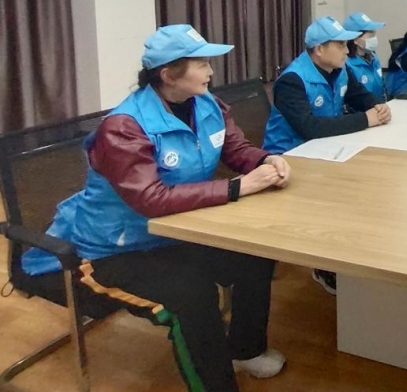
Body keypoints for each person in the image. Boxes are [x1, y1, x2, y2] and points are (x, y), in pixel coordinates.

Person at [21, 25, 291, 391]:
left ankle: (245, 349)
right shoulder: (123, 128)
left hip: (175, 233)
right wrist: (237, 187)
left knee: (255, 254)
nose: (211, 71)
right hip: (113, 250)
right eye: (201, 64)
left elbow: (236, 149)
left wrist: (265, 160)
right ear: (168, 74)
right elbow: (150, 198)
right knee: (192, 295)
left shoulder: (208, 105)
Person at [263, 16, 391, 156]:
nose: (347, 51)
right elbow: (309, 127)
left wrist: (378, 107)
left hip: (324, 146)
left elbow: (359, 96)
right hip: (288, 154)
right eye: (341, 45)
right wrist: (365, 119)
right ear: (319, 49)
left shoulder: (340, 70)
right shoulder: (291, 81)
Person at [343, 11, 388, 102]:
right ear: (355, 40)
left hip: (380, 106)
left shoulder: (373, 57)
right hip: (362, 109)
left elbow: (382, 86)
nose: (374, 38)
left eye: (374, 35)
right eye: (370, 35)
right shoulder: (347, 65)